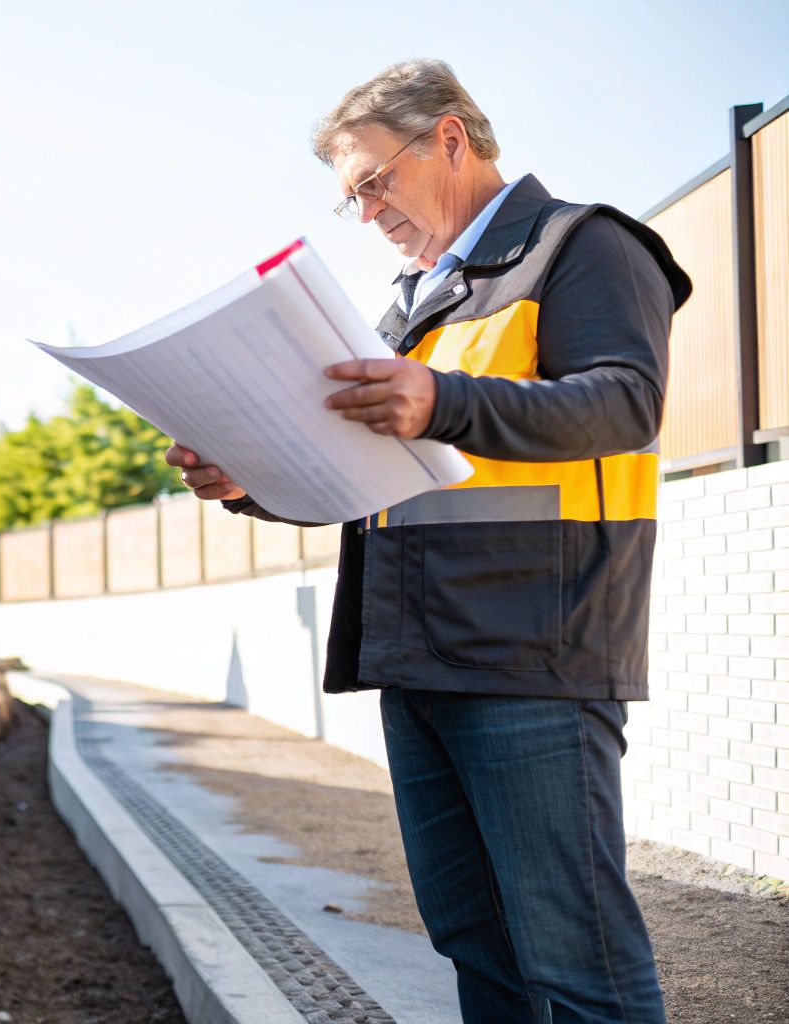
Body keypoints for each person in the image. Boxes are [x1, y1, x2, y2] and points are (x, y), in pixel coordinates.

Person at [166, 59, 692, 1023]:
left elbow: (625, 401)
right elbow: (363, 480)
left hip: (535, 660)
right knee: (478, 951)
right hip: (420, 660)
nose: (366, 212)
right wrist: (251, 485)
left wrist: (442, 401)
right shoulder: (414, 306)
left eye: (373, 182)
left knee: (580, 968)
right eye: (350, 199)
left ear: (449, 137)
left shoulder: (585, 247)